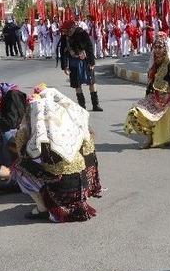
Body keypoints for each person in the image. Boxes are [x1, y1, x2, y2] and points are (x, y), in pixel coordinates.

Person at [9, 83, 101, 222]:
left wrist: (24, 125)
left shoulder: (35, 126)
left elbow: (22, 151)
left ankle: (42, 208)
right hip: (82, 184)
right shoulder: (72, 118)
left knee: (19, 167)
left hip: (62, 188)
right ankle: (81, 197)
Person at [124, 33, 170, 149]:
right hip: (154, 101)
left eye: (160, 47)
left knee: (166, 138)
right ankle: (149, 136)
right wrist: (146, 102)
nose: (157, 50)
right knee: (134, 113)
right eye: (156, 47)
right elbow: (150, 88)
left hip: (168, 106)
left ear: (166, 49)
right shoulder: (154, 66)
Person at [58, 20, 103, 112]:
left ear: (73, 28)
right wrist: (65, 66)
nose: (67, 33)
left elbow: (89, 47)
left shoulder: (82, 34)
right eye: (65, 31)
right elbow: (63, 52)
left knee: (92, 82)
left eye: (68, 30)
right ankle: (82, 107)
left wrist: (91, 62)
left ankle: (96, 104)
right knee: (77, 84)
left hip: (86, 61)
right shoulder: (65, 37)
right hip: (73, 62)